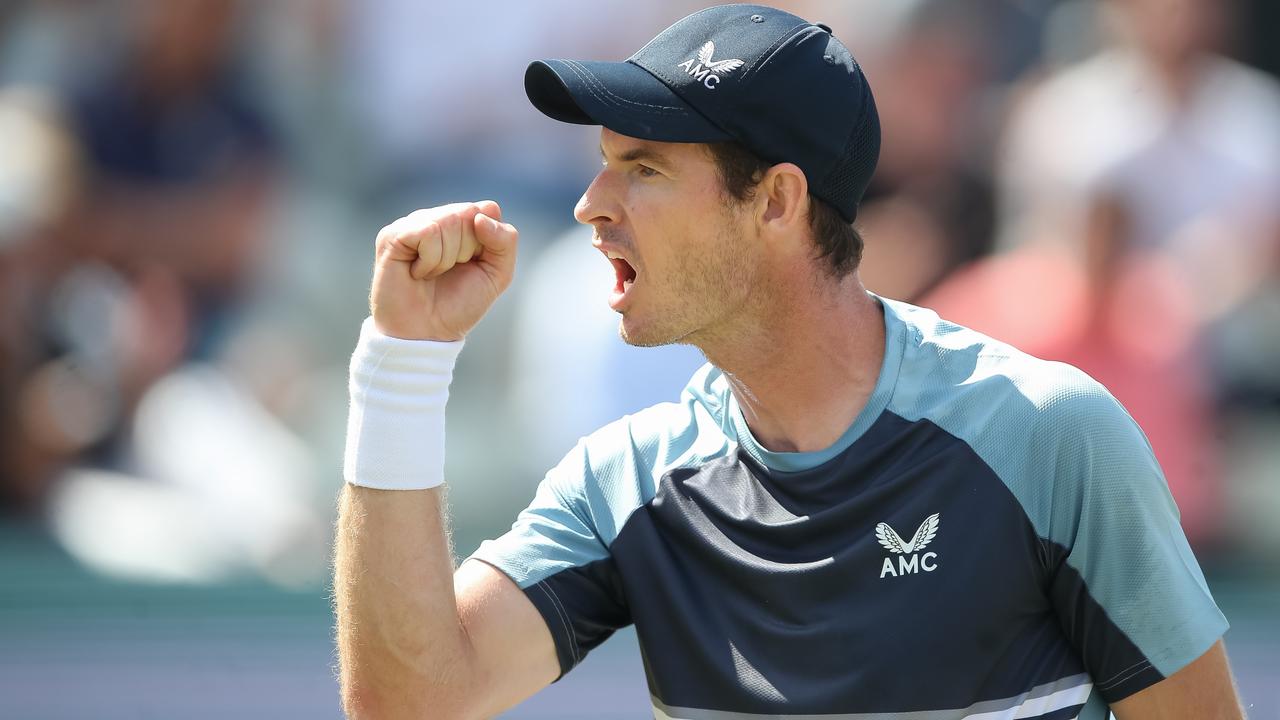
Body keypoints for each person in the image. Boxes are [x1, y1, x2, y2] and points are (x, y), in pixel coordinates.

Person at [334, 5, 1243, 719]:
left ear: (775, 201)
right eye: (604, 164)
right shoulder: (624, 481)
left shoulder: (1049, 435)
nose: (590, 205)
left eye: (643, 168)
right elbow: (413, 702)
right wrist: (400, 366)